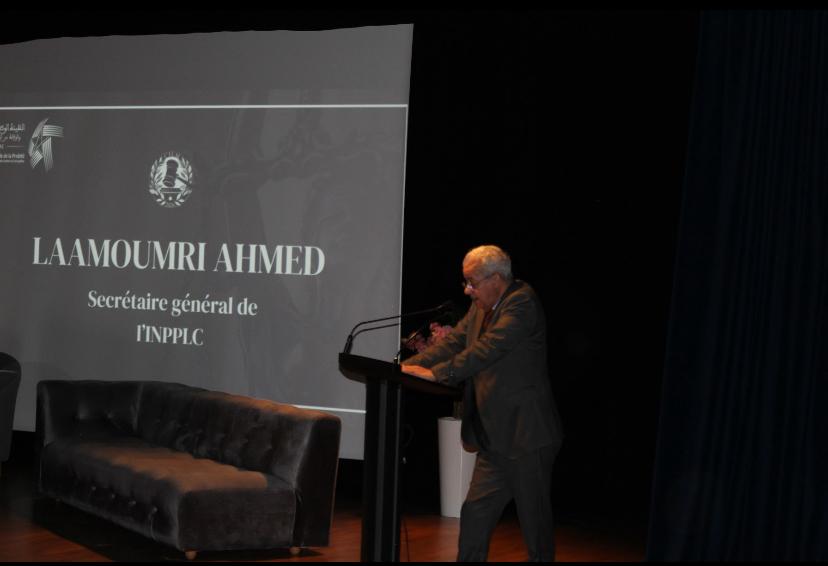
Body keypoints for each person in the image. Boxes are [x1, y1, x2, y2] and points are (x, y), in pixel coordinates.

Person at [402, 244, 563, 562]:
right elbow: (454, 342)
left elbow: (487, 349)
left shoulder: (522, 303)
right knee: (475, 512)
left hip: (527, 436)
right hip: (494, 438)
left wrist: (439, 374)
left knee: (535, 526)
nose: (467, 290)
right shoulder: (480, 307)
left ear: (496, 279)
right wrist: (405, 367)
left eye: (472, 282)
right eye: (466, 282)